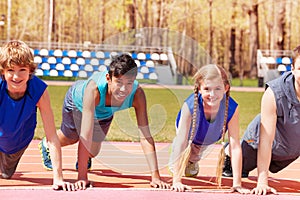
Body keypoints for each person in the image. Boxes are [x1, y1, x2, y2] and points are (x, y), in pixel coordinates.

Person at [39, 53, 170, 190]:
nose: (124, 89)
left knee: (93, 152)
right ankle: (47, 144)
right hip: (77, 103)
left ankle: (83, 159)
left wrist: (156, 177)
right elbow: (86, 134)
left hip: (104, 114)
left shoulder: (137, 95)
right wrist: (82, 177)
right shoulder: (94, 89)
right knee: (71, 137)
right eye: (119, 82)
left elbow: (145, 136)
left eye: (129, 83)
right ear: (109, 78)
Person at [222, 46, 300, 195]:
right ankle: (228, 152)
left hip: (291, 145)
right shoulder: (274, 93)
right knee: (242, 167)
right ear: (292, 69)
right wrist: (262, 181)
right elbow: (266, 140)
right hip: (262, 141)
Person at [0, 40, 75, 191]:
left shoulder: (38, 91)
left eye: (22, 69)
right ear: (3, 72)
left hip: (16, 143)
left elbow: (52, 137)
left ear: (30, 70)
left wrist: (58, 178)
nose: (16, 76)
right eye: (10, 70)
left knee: (5, 175)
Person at [169, 64, 249, 193]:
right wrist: (176, 181)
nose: (212, 94)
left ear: (226, 88)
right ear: (199, 89)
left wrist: (237, 183)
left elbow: (235, 146)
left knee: (195, 155)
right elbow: (182, 141)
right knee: (183, 150)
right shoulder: (189, 106)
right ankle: (179, 158)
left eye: (218, 88)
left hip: (211, 135)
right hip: (189, 134)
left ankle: (193, 159)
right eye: (207, 89)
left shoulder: (232, 108)